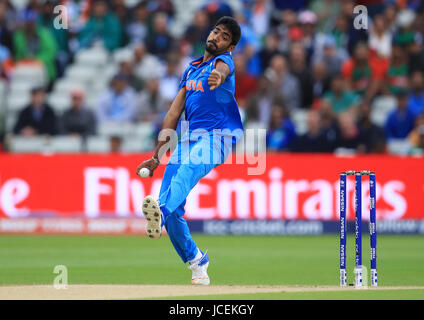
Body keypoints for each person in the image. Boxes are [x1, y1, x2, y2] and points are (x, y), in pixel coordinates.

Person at [135, 16, 242, 286]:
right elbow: (173, 113)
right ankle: (197, 262)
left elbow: (222, 70)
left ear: (230, 47)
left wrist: (218, 76)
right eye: (216, 31)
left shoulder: (224, 63)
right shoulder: (192, 69)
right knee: (173, 213)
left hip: (217, 138)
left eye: (225, 37)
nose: (217, 37)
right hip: (188, 139)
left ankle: (159, 210)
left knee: (188, 169)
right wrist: (157, 155)